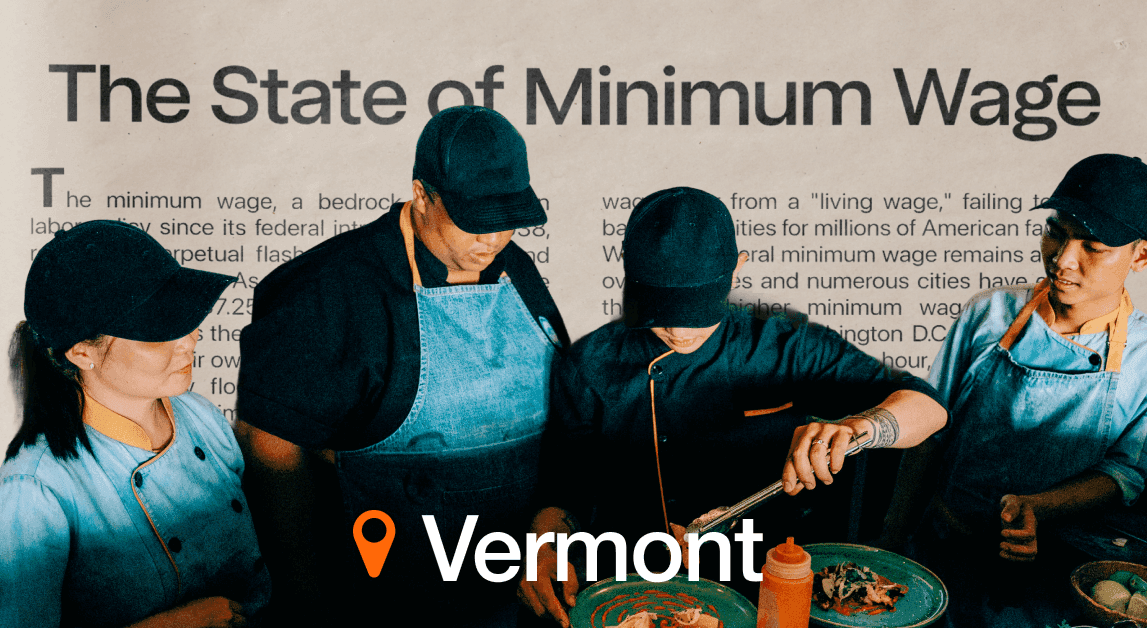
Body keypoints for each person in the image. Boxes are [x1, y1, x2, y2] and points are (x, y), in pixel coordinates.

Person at [519, 187, 948, 626]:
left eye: (696, 309)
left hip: (765, 585)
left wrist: (857, 428)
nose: (679, 330)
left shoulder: (787, 347)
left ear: (736, 271)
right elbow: (562, 492)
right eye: (662, 310)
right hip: (638, 590)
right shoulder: (590, 364)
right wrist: (544, 547)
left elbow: (930, 408)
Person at [235, 106, 568, 626]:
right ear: (421, 195)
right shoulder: (326, 292)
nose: (493, 240)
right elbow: (270, 452)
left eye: (507, 222)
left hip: (512, 589)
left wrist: (553, 519)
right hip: (386, 597)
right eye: (475, 222)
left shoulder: (513, 269)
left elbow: (563, 405)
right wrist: (308, 606)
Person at [880, 153, 1147, 627]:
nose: (1064, 259)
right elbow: (929, 433)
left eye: (1094, 246)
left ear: (1140, 255)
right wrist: (890, 546)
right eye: (1056, 231)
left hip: (1052, 579)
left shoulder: (1144, 356)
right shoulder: (989, 313)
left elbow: (1125, 472)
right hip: (942, 551)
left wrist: (1039, 508)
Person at [0, 220, 268, 628]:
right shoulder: (35, 487)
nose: (190, 338)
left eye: (183, 319)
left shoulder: (201, 416)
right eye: (158, 331)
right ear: (82, 354)